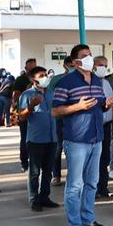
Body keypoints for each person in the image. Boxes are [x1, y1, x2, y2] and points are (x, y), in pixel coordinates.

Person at [52, 44, 113, 226]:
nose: (89, 58)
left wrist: (106, 105)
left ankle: (88, 220)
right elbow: (55, 110)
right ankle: (75, 224)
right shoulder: (66, 82)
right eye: (84, 55)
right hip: (77, 140)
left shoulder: (96, 80)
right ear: (74, 61)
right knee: (75, 185)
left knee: (92, 183)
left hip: (96, 138)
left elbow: (98, 106)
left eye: (90, 55)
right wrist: (76, 107)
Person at [17, 66, 59, 211]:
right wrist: (31, 106)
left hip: (52, 138)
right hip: (36, 139)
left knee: (48, 171)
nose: (45, 77)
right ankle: (34, 199)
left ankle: (45, 197)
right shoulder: (27, 95)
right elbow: (21, 117)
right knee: (34, 172)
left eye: (46, 74)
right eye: (41, 75)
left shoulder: (52, 93)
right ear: (33, 79)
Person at [49, 55, 74, 187]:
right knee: (58, 146)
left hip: (75, 117)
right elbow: (50, 96)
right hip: (60, 116)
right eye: (71, 66)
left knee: (74, 147)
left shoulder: (80, 79)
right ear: (65, 66)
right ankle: (56, 175)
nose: (73, 68)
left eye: (75, 66)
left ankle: (73, 175)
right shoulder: (57, 79)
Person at [94, 56, 113, 198]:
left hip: (107, 125)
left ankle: (103, 187)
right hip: (94, 126)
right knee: (94, 159)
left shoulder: (107, 83)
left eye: (105, 65)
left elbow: (111, 105)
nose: (103, 68)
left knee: (105, 158)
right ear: (93, 66)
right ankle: (94, 189)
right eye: (100, 65)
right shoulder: (90, 83)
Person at [11, 58, 37, 171]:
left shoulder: (38, 79)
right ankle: (24, 162)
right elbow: (15, 96)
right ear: (26, 69)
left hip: (37, 115)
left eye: (35, 67)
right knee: (25, 138)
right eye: (31, 68)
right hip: (25, 113)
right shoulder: (20, 80)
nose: (33, 70)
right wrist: (26, 91)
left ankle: (35, 161)